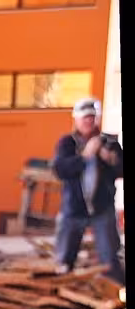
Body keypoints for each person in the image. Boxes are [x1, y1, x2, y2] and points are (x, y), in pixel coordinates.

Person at [51, 97, 125, 284]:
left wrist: (112, 161)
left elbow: (121, 170)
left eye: (92, 117)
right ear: (76, 119)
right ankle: (64, 294)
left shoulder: (109, 143)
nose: (88, 121)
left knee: (109, 258)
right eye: (84, 117)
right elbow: (60, 170)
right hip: (74, 209)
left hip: (102, 209)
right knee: (64, 258)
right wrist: (84, 157)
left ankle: (114, 295)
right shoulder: (67, 143)